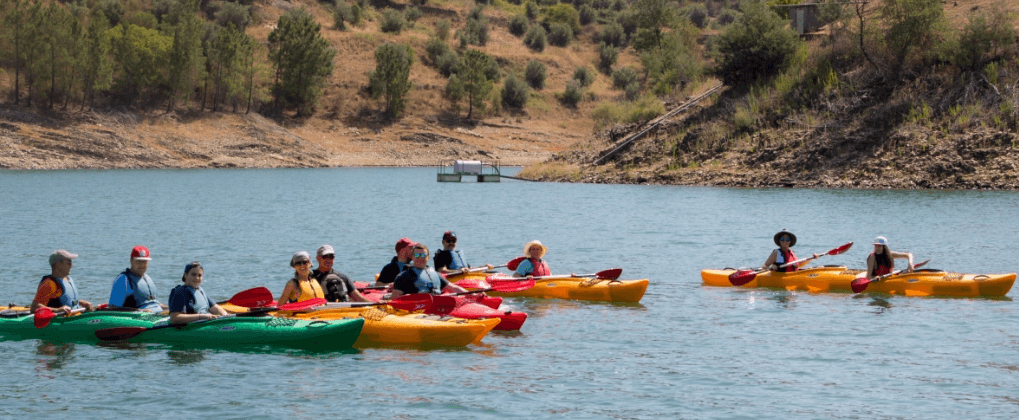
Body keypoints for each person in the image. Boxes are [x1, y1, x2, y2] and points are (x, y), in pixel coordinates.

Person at [391, 244, 468, 298]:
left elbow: (453, 288)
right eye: (417, 255)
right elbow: (394, 300)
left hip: (437, 307)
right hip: (417, 312)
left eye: (423, 255)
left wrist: (470, 294)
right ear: (412, 257)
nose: (420, 258)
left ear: (428, 258)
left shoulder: (435, 274)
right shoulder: (403, 277)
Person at [31, 250, 93, 315]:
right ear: (59, 264)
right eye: (69, 263)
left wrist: (79, 302)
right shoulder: (49, 283)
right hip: (59, 321)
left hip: (74, 317)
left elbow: (63, 299)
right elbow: (34, 307)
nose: (72, 265)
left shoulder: (68, 279)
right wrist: (57, 310)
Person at [109, 245, 166, 312]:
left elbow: (153, 303)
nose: (142, 265)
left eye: (144, 262)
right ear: (131, 260)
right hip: (139, 318)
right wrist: (140, 310)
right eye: (138, 261)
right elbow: (112, 308)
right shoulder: (123, 280)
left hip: (157, 315)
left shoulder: (147, 278)